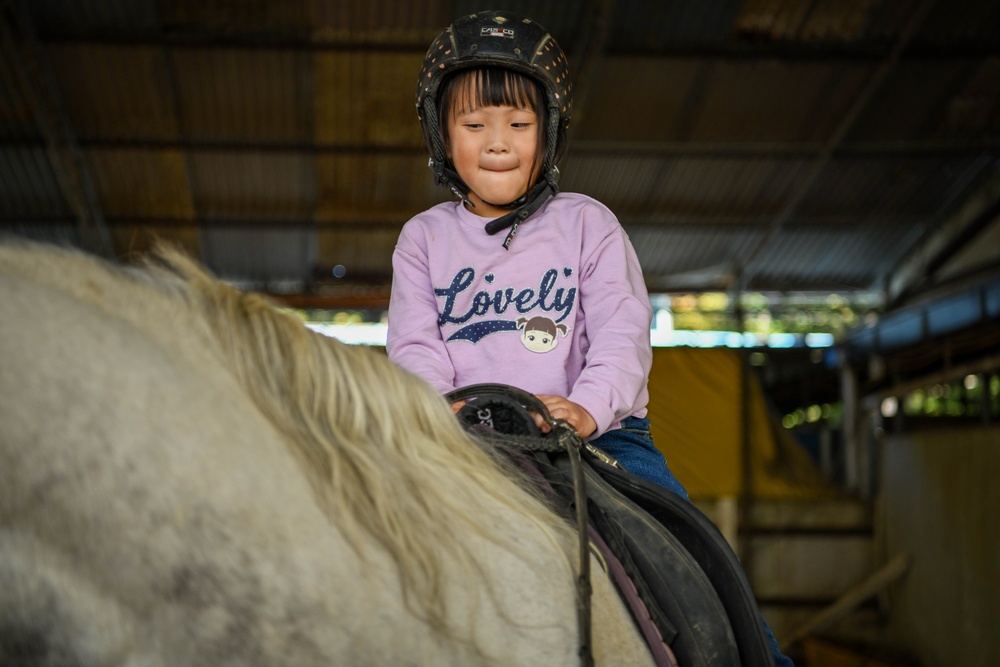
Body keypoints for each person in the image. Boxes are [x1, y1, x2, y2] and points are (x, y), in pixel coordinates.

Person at [386, 11, 792, 666]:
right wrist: (443, 406)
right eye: (474, 124)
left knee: (695, 559)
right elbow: (413, 344)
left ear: (548, 134)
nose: (497, 142)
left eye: (518, 124)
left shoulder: (587, 224)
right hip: (467, 437)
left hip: (598, 438)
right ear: (441, 132)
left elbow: (622, 331)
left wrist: (589, 404)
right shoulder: (423, 238)